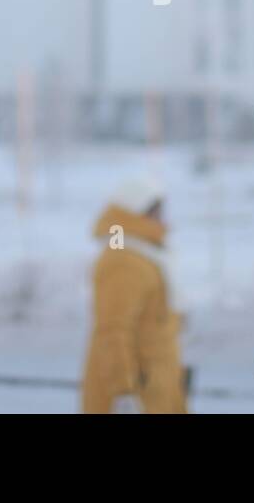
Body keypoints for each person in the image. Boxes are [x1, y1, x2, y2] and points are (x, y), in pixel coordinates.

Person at [81, 177, 188, 413]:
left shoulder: (146, 254)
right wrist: (122, 390)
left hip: (155, 384)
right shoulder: (123, 260)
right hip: (138, 390)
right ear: (136, 213)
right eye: (157, 213)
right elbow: (112, 330)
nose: (163, 220)